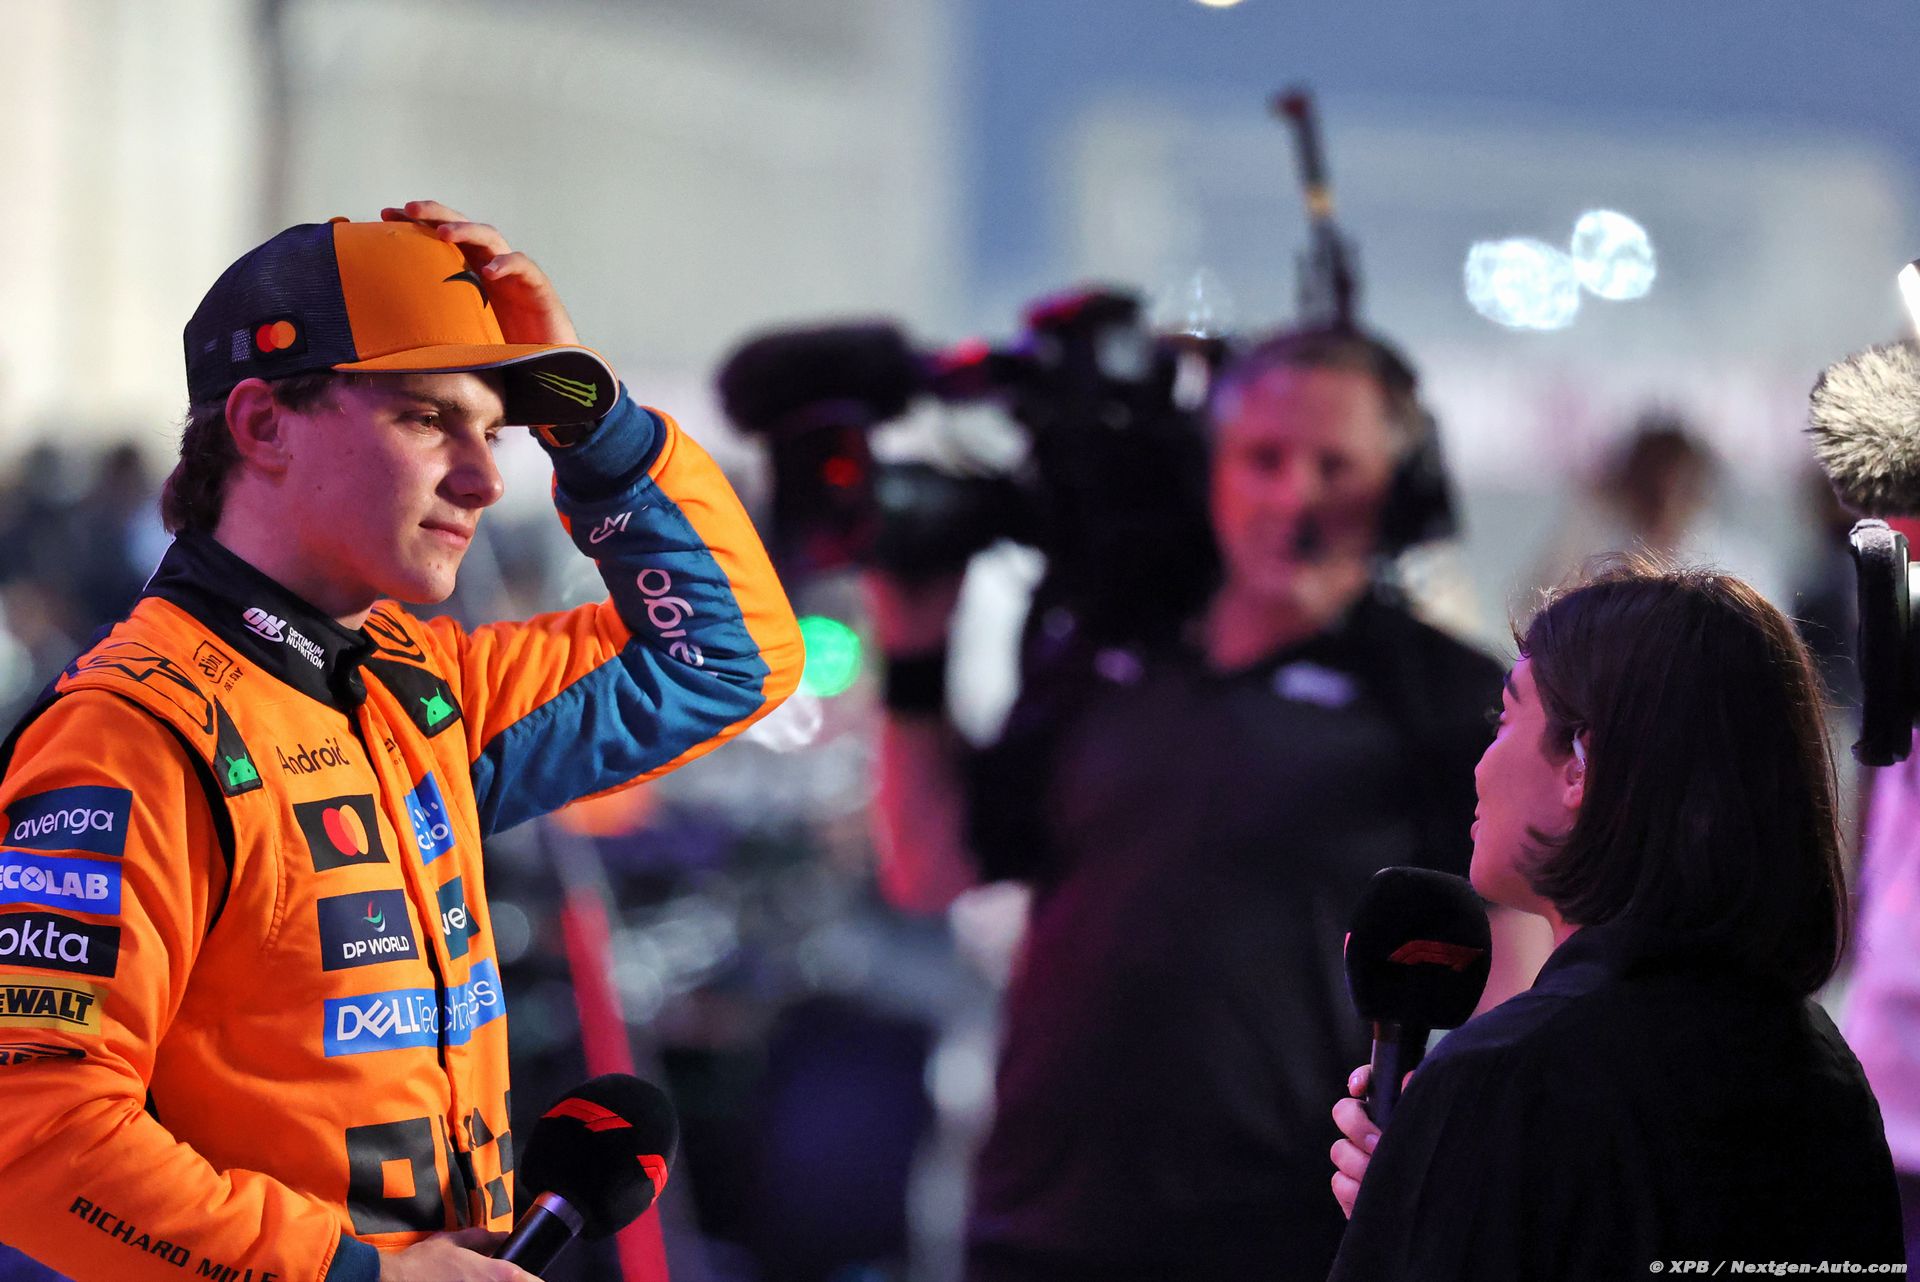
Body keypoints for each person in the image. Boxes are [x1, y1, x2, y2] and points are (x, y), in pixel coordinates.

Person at [0, 202, 803, 1282]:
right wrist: (362, 1275)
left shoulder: (419, 691)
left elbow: (728, 653)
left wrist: (592, 418)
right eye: (430, 419)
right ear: (263, 425)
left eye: (494, 432)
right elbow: (33, 1138)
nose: (484, 478)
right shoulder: (132, 738)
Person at [870, 327, 1540, 1281]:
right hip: (1040, 1222)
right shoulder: (1096, 656)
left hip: (1288, 1238)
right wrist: (913, 655)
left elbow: (1514, 992)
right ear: (1209, 469)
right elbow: (928, 871)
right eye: (1262, 458)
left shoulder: (1443, 696)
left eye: (1335, 464)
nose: (1293, 495)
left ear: (1399, 484)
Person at [1327, 563, 1904, 1278]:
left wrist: (1417, 1226)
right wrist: (1421, 1202)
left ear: (1581, 764)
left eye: (1505, 717)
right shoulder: (1828, 1079)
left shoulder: (1510, 1079)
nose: (1479, 767)